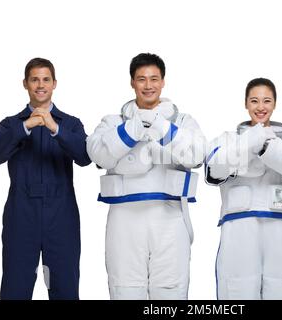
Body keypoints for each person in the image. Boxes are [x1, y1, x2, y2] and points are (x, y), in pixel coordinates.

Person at [87, 53, 206, 300]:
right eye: (141, 79)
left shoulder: (183, 121)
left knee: (171, 290)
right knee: (125, 288)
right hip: (124, 219)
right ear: (132, 82)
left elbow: (197, 155)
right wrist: (134, 127)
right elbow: (98, 154)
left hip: (170, 217)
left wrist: (162, 126)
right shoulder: (113, 122)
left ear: (163, 82)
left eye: (154, 79)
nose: (148, 85)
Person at [0, 58, 91, 299]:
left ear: (54, 84)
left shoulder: (70, 124)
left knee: (65, 287)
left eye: (45, 79)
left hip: (61, 215)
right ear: (25, 84)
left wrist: (55, 129)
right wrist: (26, 126)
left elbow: (85, 156)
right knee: (15, 287)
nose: (40, 85)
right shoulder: (11, 123)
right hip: (21, 214)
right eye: (34, 79)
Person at [205, 78, 282, 299]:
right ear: (246, 103)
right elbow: (214, 167)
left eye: (267, 101)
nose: (261, 107)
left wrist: (268, 146)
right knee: (237, 289)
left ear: (274, 104)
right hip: (239, 226)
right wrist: (249, 141)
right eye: (254, 100)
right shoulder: (228, 139)